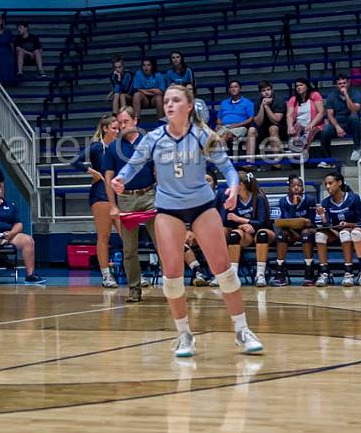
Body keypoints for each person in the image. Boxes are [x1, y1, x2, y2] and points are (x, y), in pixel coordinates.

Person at [112, 84, 264, 358]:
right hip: (168, 210)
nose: (169, 104)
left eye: (176, 100)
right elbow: (134, 163)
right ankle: (184, 335)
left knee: (223, 271)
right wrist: (121, 178)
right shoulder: (154, 137)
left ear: (189, 106)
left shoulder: (203, 135)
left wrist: (231, 187)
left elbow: (227, 167)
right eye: (167, 100)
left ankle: (242, 330)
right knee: (172, 276)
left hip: (202, 207)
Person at [103, 106, 156, 303]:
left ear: (135, 121)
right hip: (125, 199)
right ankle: (134, 290)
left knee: (162, 244)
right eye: (120, 123)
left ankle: (172, 288)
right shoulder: (113, 148)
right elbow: (108, 178)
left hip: (150, 195)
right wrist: (112, 205)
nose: (122, 126)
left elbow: (159, 170)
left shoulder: (149, 143)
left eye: (126, 122)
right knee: (129, 249)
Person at [72, 114, 120, 289]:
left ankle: (134, 274)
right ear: (106, 128)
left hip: (118, 193)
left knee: (127, 235)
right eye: (114, 128)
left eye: (118, 128)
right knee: (104, 236)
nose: (117, 131)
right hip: (100, 193)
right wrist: (92, 171)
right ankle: (106, 275)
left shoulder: (119, 147)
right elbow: (75, 161)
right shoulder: (96, 147)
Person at [219, 168, 273, 287]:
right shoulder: (233, 199)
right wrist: (241, 225)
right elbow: (226, 220)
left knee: (262, 234)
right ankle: (232, 275)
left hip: (263, 231)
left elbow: (262, 222)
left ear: (241, 185)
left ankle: (260, 275)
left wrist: (240, 219)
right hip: (246, 233)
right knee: (234, 235)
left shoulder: (258, 197)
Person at [313, 172, 361, 287]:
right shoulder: (325, 202)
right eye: (326, 184)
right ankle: (324, 272)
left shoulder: (353, 198)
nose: (328, 186)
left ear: (339, 183)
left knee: (344, 233)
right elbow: (327, 225)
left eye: (330, 183)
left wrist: (348, 224)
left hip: (352, 230)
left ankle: (349, 272)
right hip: (335, 232)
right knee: (319, 235)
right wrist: (323, 217)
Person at [273, 176, 317, 286]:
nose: (296, 188)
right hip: (291, 231)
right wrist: (294, 205)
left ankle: (309, 271)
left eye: (299, 186)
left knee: (305, 234)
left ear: (303, 188)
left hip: (306, 230)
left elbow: (311, 221)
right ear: (289, 188)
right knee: (281, 235)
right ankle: (280, 271)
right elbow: (288, 219)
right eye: (293, 186)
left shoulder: (310, 199)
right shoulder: (283, 201)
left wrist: (304, 222)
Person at [321, 73, 361, 162]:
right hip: (337, 123)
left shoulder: (356, 93)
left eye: (344, 83)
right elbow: (330, 115)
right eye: (340, 84)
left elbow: (354, 110)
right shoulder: (331, 96)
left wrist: (346, 95)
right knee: (325, 130)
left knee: (354, 117)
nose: (342, 85)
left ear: (348, 83)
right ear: (336, 85)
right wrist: (337, 128)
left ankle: (357, 149)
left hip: (350, 123)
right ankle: (327, 159)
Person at [247, 80, 287, 158]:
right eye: (263, 91)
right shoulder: (257, 102)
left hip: (280, 130)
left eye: (268, 89)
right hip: (263, 130)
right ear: (260, 93)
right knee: (251, 129)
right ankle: (249, 162)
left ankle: (276, 161)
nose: (266, 92)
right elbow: (258, 123)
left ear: (272, 90)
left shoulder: (279, 100)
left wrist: (267, 107)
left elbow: (276, 121)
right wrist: (262, 106)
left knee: (273, 128)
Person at [285, 78, 324, 154]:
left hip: (315, 124)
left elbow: (321, 112)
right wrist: (290, 126)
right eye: (297, 86)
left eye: (301, 85)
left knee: (310, 131)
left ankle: (303, 152)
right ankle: (295, 153)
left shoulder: (315, 95)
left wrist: (311, 125)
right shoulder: (293, 99)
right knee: (295, 129)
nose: (298, 87)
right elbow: (289, 115)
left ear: (307, 86)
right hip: (300, 125)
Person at [215, 80, 254, 151]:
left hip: (240, 127)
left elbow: (251, 118)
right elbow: (219, 118)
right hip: (224, 127)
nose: (233, 89)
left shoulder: (248, 103)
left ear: (240, 88)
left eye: (236, 87)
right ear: (229, 90)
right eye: (231, 87)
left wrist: (237, 125)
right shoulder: (224, 103)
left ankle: (213, 154)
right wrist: (218, 124)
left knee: (227, 134)